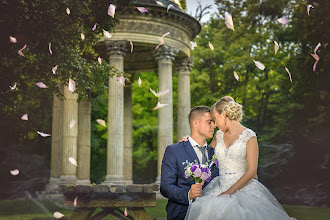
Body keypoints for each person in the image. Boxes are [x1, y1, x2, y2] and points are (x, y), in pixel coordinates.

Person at [184, 96, 296, 220]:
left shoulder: (249, 137)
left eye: (215, 119)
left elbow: (251, 171)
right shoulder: (218, 135)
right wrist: (189, 142)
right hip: (220, 186)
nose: (215, 125)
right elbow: (204, 156)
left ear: (224, 114)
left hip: (243, 189)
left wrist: (229, 192)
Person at [160, 106, 219, 220]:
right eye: (209, 122)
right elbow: (165, 186)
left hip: (213, 213)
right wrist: (188, 194)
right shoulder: (174, 150)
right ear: (196, 124)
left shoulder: (215, 153)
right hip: (182, 212)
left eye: (214, 122)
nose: (214, 125)